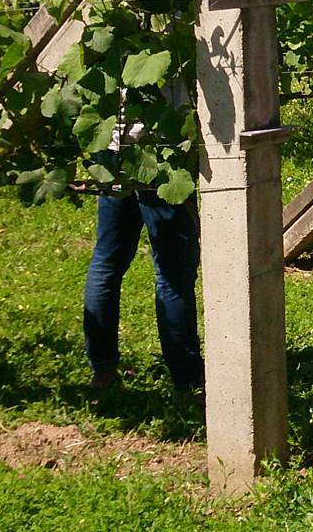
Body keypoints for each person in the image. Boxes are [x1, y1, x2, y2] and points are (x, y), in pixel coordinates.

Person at [82, 81, 203, 392]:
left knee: (107, 262)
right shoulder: (169, 29)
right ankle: (188, 379)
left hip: (111, 150)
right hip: (160, 152)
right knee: (174, 274)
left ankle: (103, 370)